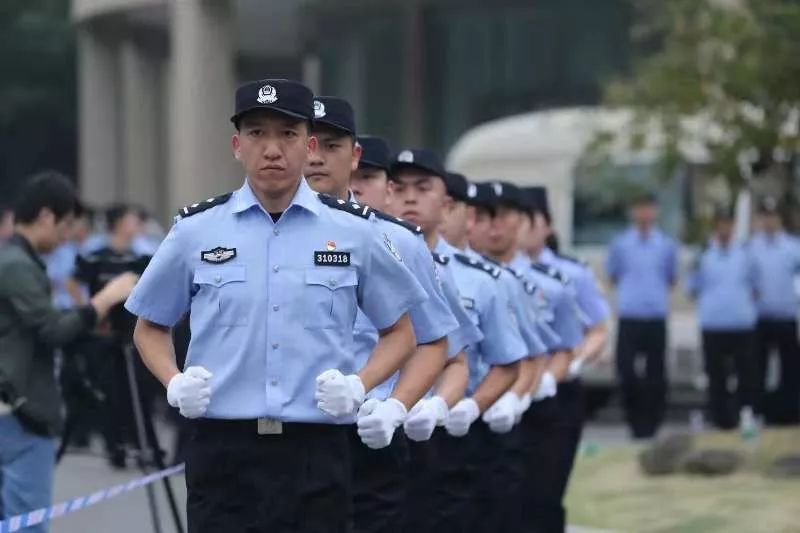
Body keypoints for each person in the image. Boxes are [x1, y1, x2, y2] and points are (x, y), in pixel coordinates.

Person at [125, 79, 426, 533]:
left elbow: (401, 332)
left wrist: (360, 385)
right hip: (223, 450)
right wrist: (174, 382)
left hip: (316, 449)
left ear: (308, 147)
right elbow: (149, 326)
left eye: (286, 135)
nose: (271, 149)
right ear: (236, 145)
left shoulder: (355, 233)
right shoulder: (196, 231)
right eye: (257, 133)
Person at [302, 96, 459, 533]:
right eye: (307, 142)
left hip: (367, 433)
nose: (315, 156)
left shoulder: (397, 241)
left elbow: (433, 341)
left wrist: (395, 406)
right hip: (284, 438)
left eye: (330, 145)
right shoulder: (251, 235)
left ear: (354, 156)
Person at [387, 150, 527, 533]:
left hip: (442, 429)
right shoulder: (362, 260)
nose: (409, 198)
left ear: (448, 206)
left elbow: (507, 359)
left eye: (422, 188)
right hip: (370, 428)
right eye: (398, 188)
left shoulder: (480, 278)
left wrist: (466, 406)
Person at [0, 171, 136, 532]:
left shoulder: (16, 260)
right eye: (65, 227)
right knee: (26, 524)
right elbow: (52, 331)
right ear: (46, 216)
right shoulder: (17, 264)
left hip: (14, 408)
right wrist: (105, 299)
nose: (65, 239)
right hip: (21, 413)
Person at [521, 184, 610, 532]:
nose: (523, 227)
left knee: (546, 493)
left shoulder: (570, 273)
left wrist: (574, 361)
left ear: (548, 226)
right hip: (507, 391)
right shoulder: (491, 270)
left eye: (532, 219)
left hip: (557, 391)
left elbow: (598, 329)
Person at [605, 192, 678, 439]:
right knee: (626, 370)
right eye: (639, 208)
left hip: (656, 316)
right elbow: (613, 276)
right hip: (630, 315)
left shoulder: (666, 245)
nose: (644, 214)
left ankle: (653, 423)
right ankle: (634, 420)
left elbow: (671, 278)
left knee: (656, 374)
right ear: (632, 212)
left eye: (648, 208)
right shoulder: (621, 244)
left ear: (655, 212)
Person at [687, 206, 759, 429]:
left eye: (729, 224)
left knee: (745, 374)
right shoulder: (703, 255)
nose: (725, 228)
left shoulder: (745, 254)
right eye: (721, 224)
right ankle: (721, 420)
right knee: (716, 375)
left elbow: (756, 287)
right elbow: (692, 288)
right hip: (713, 323)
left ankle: (744, 415)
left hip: (741, 323)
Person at [749, 197, 800, 424]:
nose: (769, 222)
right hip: (760, 317)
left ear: (779, 219)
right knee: (757, 369)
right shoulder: (751, 247)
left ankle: (788, 414)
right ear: (760, 220)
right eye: (766, 217)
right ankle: (759, 412)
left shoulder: (793, 248)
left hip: (786, 316)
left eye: (773, 217)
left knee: (789, 369)